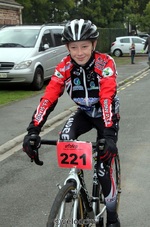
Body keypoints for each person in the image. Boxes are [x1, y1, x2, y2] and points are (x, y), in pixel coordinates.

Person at [23, 19, 120, 227]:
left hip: (106, 113)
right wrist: (33, 130)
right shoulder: (64, 66)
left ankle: (112, 217)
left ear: (94, 45)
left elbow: (106, 97)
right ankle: (77, 187)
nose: (79, 52)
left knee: (103, 168)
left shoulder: (106, 63)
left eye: (84, 46)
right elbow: (49, 97)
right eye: (74, 47)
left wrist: (109, 136)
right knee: (65, 138)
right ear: (67, 48)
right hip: (84, 112)